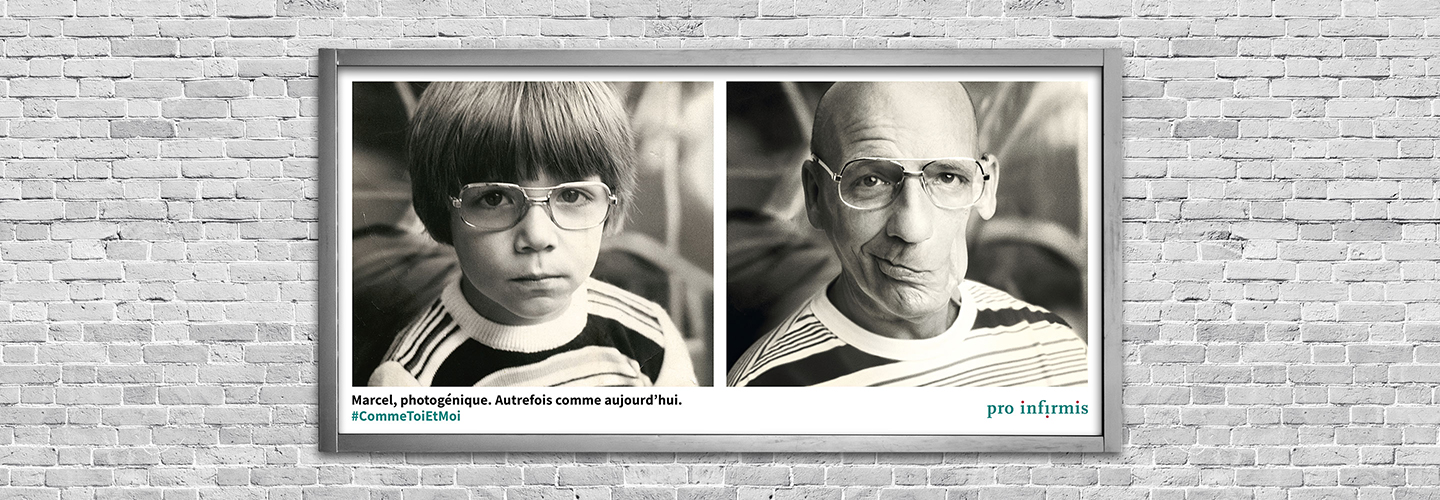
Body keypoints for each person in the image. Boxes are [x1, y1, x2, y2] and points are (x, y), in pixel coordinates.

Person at [728, 82, 1087, 387]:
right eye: (871, 181)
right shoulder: (764, 387)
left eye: (948, 177)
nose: (913, 228)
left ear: (986, 186)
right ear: (816, 196)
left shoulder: (1056, 350)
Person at [369, 82, 698, 387]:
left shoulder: (652, 338)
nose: (538, 236)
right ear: (444, 210)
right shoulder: (409, 383)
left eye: (571, 196)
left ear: (610, 202)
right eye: (494, 198)